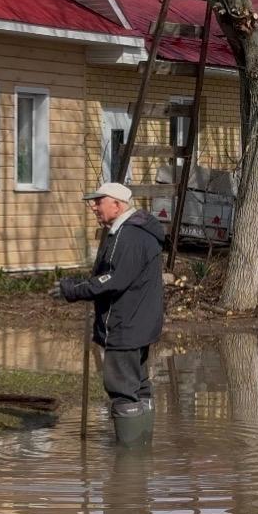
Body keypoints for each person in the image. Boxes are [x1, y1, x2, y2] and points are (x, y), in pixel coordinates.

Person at [52, 183, 165, 445]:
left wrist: (73, 289)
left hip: (125, 325)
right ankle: (141, 449)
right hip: (141, 324)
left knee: (123, 389)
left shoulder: (128, 236)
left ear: (117, 204)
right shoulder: (140, 232)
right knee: (140, 385)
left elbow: (112, 279)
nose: (93, 206)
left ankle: (129, 464)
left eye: (98, 201)